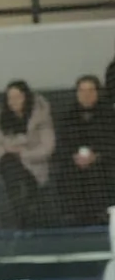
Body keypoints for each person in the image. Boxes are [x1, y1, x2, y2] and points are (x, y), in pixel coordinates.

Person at [0, 80, 56, 229]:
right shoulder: (0, 116)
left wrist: (22, 153)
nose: (13, 101)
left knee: (15, 175)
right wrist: (8, 150)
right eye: (10, 98)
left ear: (26, 97)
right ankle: (24, 216)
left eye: (18, 97)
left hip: (34, 167)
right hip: (8, 165)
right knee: (10, 164)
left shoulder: (41, 115)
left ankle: (21, 219)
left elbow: (47, 148)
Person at [54, 74, 115, 227]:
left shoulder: (110, 116)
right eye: (82, 91)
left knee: (100, 172)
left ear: (98, 92)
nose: (86, 95)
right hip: (74, 162)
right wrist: (74, 156)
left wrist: (97, 156)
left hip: (105, 162)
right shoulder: (67, 117)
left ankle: (101, 215)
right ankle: (74, 217)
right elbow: (61, 145)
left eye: (90, 90)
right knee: (66, 172)